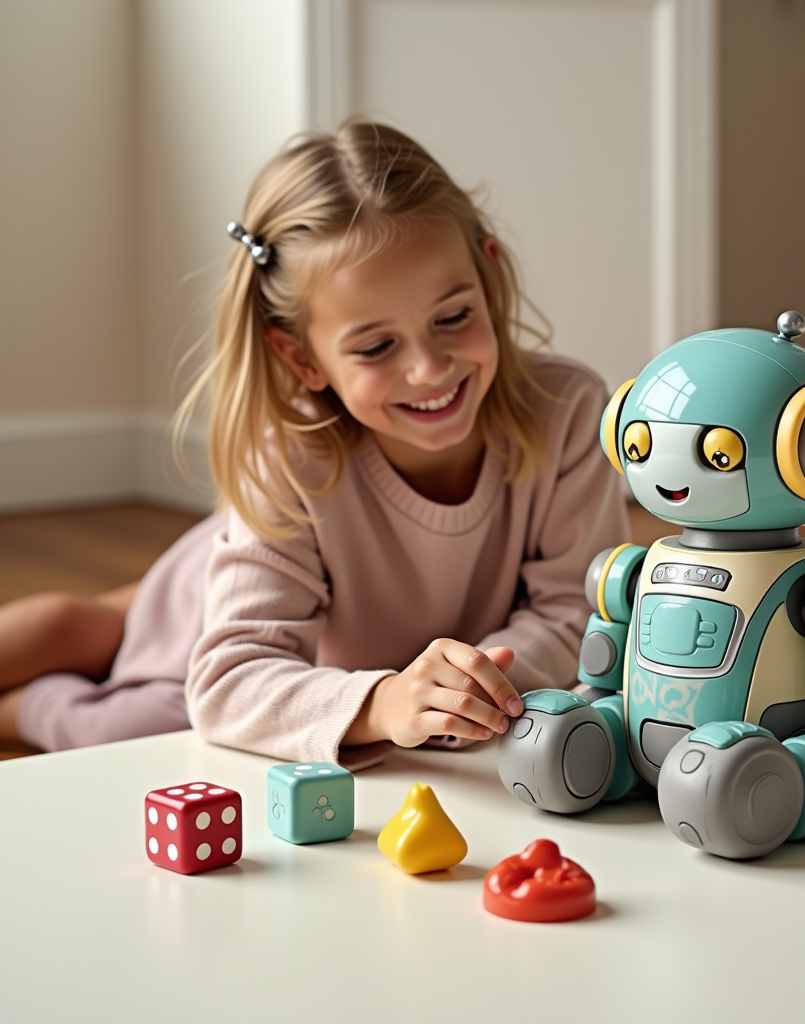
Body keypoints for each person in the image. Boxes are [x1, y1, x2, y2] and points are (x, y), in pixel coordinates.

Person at [2, 120, 628, 768]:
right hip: (237, 599)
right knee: (138, 719)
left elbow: (576, 613)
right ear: (302, 358)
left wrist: (475, 687)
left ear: (487, 278)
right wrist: (386, 702)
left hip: (305, 593)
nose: (431, 368)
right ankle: (23, 704)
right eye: (377, 346)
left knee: (96, 628)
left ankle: (125, 615)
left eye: (453, 317)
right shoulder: (289, 456)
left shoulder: (569, 411)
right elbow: (227, 682)